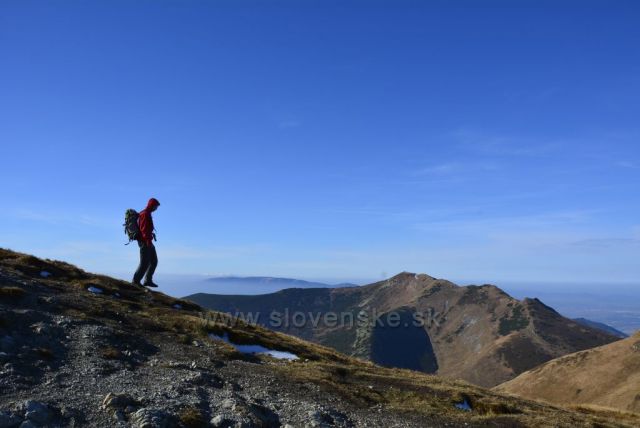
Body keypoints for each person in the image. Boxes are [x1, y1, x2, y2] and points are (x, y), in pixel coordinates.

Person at [133, 198, 160, 288]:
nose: (156, 209)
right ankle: (135, 282)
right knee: (144, 262)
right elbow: (144, 229)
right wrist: (148, 241)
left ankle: (147, 280)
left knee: (153, 261)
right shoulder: (145, 214)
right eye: (156, 206)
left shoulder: (147, 213)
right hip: (144, 241)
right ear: (152, 205)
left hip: (148, 241)